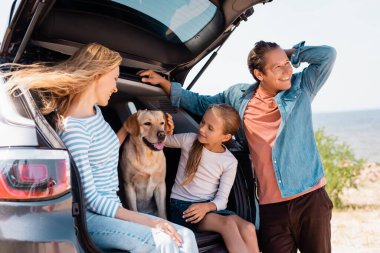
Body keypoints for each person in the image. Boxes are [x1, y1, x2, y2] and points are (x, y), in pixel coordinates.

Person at [138, 40, 337, 253]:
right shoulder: (238, 96)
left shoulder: (302, 87)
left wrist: (287, 54)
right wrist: (164, 84)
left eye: (287, 64)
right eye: (277, 67)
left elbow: (328, 55)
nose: (287, 70)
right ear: (259, 74)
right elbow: (200, 103)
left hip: (310, 199)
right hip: (271, 208)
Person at [3, 43, 198, 253]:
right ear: (96, 75)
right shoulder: (74, 130)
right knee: (163, 241)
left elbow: (107, 146)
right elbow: (93, 200)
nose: (116, 87)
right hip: (93, 219)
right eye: (114, 78)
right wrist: (152, 222)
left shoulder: (95, 112)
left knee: (185, 236)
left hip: (112, 210)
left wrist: (127, 127)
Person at [164, 104, 259, 253]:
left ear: (226, 137)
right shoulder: (189, 140)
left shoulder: (229, 161)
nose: (201, 129)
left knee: (249, 227)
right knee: (227, 225)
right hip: (183, 208)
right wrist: (166, 130)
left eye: (210, 128)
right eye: (203, 122)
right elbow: (161, 141)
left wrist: (207, 207)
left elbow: (222, 200)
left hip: (208, 208)